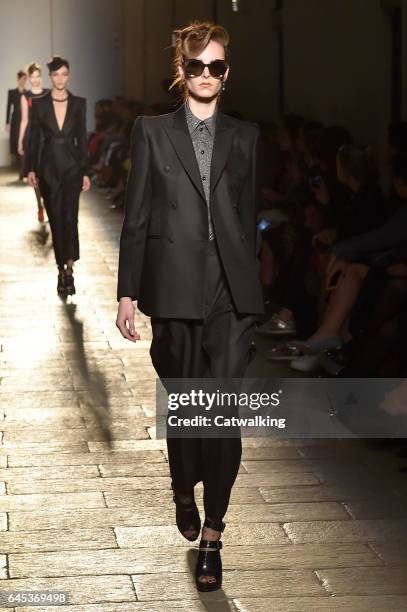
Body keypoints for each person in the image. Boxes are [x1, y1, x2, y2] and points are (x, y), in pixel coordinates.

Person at [116, 21, 263, 592]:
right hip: (174, 291)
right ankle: (183, 488)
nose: (206, 76)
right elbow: (137, 215)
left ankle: (215, 536)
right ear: (182, 70)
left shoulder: (246, 136)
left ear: (227, 74)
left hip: (230, 294)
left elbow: (248, 222)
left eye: (217, 67)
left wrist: (251, 290)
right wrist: (128, 291)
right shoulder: (151, 132)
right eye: (197, 67)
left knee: (222, 416)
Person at [26, 56, 90, 296]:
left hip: (73, 166)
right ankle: (60, 266)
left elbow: (82, 140)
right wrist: (31, 168)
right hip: (49, 168)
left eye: (64, 74)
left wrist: (85, 171)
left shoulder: (79, 103)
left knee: (70, 217)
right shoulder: (39, 103)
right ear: (50, 77)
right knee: (54, 218)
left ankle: (70, 269)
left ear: (69, 75)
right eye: (56, 75)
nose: (60, 78)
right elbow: (34, 138)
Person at [18, 62, 50, 222]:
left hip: (48, 137)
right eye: (32, 76)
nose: (36, 79)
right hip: (32, 139)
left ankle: (48, 202)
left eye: (38, 76)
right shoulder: (26, 96)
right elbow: (24, 120)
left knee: (49, 173)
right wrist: (19, 142)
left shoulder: (49, 93)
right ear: (29, 78)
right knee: (35, 175)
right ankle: (40, 206)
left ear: (41, 76)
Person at [5, 69, 27, 178]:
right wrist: (7, 123)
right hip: (15, 121)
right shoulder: (12, 92)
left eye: (24, 79)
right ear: (18, 79)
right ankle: (21, 169)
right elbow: (9, 107)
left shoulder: (27, 93)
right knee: (16, 144)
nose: (23, 81)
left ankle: (22, 171)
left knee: (23, 143)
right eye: (21, 79)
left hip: (25, 120)